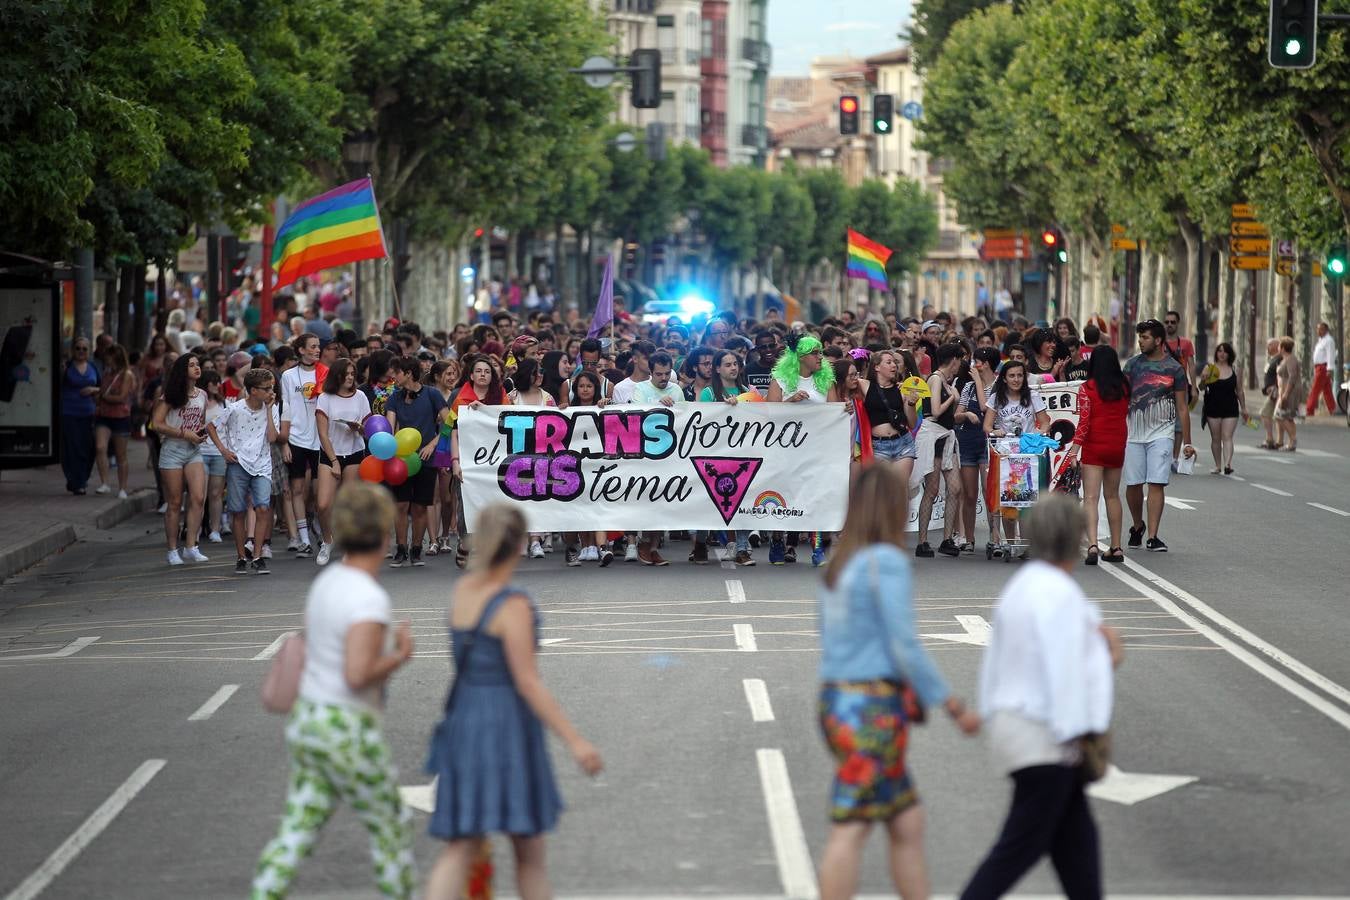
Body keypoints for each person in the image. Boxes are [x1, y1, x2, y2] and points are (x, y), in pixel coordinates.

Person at [424, 504, 603, 900]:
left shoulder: (462, 594)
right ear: (520, 544)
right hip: (505, 724)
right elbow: (528, 682)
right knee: (529, 854)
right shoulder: (513, 604)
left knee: (461, 844)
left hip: (464, 720)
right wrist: (575, 740)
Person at [817, 466, 979, 900]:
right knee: (851, 828)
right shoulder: (886, 563)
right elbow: (904, 643)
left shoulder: (840, 564)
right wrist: (950, 704)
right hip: (871, 709)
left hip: (837, 701)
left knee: (906, 820)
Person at [251, 482, 416, 898]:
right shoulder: (368, 599)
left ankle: (264, 891)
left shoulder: (327, 583)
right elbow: (359, 673)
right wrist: (399, 654)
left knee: (299, 826)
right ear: (383, 535)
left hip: (308, 717)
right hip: (344, 725)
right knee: (392, 825)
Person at [959, 494, 1123, 900]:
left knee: (1077, 845)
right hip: (1046, 736)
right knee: (1019, 849)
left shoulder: (1023, 585)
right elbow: (1065, 670)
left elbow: (996, 661)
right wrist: (1079, 734)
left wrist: (987, 709)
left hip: (1017, 727)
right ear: (1074, 538)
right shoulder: (1059, 594)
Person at [1123, 319, 1195, 553]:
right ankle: (1137, 526)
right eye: (1139, 337)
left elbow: (1183, 407)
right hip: (1134, 433)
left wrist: (1188, 442)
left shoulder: (1175, 369)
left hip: (1163, 434)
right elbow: (1121, 400)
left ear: (1158, 340)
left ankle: (1153, 536)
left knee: (1156, 482)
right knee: (1133, 484)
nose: (1140, 342)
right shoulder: (1132, 366)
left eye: (1144, 337)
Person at [767, 333, 834, 565]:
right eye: (815, 353)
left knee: (813, 496)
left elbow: (833, 412)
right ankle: (777, 539)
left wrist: (844, 409)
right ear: (802, 356)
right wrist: (790, 402)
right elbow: (768, 415)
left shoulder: (825, 381)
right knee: (783, 495)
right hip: (785, 449)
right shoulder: (780, 379)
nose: (820, 357)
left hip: (815, 449)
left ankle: (817, 548)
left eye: (820, 353)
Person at [210, 368, 281, 575]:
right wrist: (224, 451)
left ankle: (257, 556)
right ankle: (241, 556)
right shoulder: (235, 408)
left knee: (262, 508)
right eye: (266, 389)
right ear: (252, 390)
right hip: (238, 463)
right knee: (238, 511)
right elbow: (212, 427)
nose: (271, 392)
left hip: (262, 464)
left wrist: (269, 409)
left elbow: (272, 438)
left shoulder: (272, 408)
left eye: (272, 388)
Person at [387, 356, 449, 567]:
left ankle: (416, 549)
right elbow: (389, 426)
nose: (393, 376)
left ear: (408, 373)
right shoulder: (394, 397)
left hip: (426, 458)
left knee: (421, 506)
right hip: (401, 458)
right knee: (401, 504)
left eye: (396, 372)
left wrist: (433, 444)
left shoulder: (432, 394)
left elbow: (450, 422)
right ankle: (401, 549)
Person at [1070, 347, 1130, 564]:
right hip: (1117, 444)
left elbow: (1084, 422)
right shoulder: (1124, 387)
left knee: (1091, 497)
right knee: (1113, 496)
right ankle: (1116, 547)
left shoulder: (1087, 388)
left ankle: (1093, 545)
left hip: (1095, 445)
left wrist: (1074, 451)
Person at [152, 353, 210, 565]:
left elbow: (200, 421)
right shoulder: (171, 394)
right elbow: (157, 423)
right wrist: (185, 433)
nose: (196, 368)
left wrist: (199, 435)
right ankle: (172, 549)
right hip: (173, 450)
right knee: (175, 502)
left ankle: (191, 546)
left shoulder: (202, 394)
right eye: (191, 365)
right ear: (181, 370)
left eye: (197, 364)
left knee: (197, 497)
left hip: (193, 450)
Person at [314, 359, 372, 566]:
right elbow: (322, 434)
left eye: (352, 373)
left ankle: (349, 544)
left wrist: (359, 428)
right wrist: (334, 461)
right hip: (330, 453)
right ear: (336, 376)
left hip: (355, 452)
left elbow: (369, 428)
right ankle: (327, 540)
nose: (349, 377)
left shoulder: (361, 396)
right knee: (323, 504)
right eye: (345, 374)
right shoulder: (325, 398)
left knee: (349, 503)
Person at [913, 344, 964, 559]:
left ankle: (946, 538)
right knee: (932, 489)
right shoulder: (935, 378)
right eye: (959, 360)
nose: (960, 365)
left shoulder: (946, 380)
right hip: (933, 434)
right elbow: (935, 411)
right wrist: (953, 397)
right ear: (953, 360)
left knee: (955, 488)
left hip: (946, 434)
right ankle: (922, 541)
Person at [280, 333, 324, 557]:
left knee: (319, 493)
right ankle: (304, 539)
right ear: (301, 350)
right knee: (297, 489)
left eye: (318, 346)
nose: (317, 350)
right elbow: (285, 408)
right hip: (297, 438)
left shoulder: (324, 373)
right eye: (313, 347)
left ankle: (317, 522)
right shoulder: (288, 376)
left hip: (320, 440)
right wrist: (285, 442)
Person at [955, 347, 999, 555]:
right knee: (969, 493)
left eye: (977, 362)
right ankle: (969, 538)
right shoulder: (969, 387)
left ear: (987, 364)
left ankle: (995, 537)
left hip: (989, 443)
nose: (974, 366)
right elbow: (957, 414)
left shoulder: (999, 385)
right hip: (968, 441)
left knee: (989, 491)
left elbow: (985, 407)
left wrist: (980, 383)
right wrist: (965, 416)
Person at [93, 344, 136, 499]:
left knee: (120, 455)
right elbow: (104, 391)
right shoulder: (106, 373)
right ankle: (104, 483)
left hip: (120, 416)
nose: (107, 362)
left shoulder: (127, 375)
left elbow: (121, 397)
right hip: (104, 415)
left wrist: (103, 396)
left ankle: (122, 488)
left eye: (109, 359)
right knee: (100, 447)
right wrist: (98, 394)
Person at [60, 338, 101, 495]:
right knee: (71, 448)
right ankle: (75, 481)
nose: (81, 351)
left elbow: (103, 387)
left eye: (85, 349)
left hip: (88, 413)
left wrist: (93, 389)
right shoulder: (67, 366)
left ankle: (82, 479)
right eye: (78, 348)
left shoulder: (93, 367)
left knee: (88, 448)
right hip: (69, 412)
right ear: (73, 350)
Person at [1200, 342, 1246, 475]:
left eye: (1225, 351)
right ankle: (1217, 465)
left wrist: (1244, 408)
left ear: (1229, 354)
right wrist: (1204, 379)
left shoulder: (1235, 369)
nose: (1222, 354)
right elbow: (1202, 388)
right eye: (1219, 351)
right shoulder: (1209, 368)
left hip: (1230, 407)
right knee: (1216, 437)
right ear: (1216, 353)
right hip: (1212, 406)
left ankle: (1227, 464)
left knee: (1227, 436)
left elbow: (1240, 390)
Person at [1274, 336, 1304, 452]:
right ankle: (1290, 442)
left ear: (1282, 348)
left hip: (1290, 391)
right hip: (1284, 390)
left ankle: (1293, 439)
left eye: (1279, 345)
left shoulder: (1291, 359)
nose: (1278, 347)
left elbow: (1292, 376)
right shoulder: (1285, 359)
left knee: (1282, 416)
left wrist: (1286, 394)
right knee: (1287, 416)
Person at [1257, 338, 1283, 450]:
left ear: (1277, 346)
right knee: (1277, 416)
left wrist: (1275, 388)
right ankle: (1276, 440)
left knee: (1265, 413)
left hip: (1275, 391)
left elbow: (1281, 375)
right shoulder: (1271, 359)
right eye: (1267, 345)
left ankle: (1271, 439)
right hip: (1271, 391)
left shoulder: (1279, 359)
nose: (1267, 348)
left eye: (1270, 345)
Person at [1307, 321, 1337, 416]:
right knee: (1327, 390)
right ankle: (1333, 408)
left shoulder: (1329, 340)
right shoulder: (1321, 340)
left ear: (1326, 330)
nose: (1318, 331)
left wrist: (1329, 369)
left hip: (1323, 368)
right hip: (1318, 367)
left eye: (1321, 329)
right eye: (1318, 329)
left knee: (1315, 389)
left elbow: (1330, 355)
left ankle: (1309, 409)